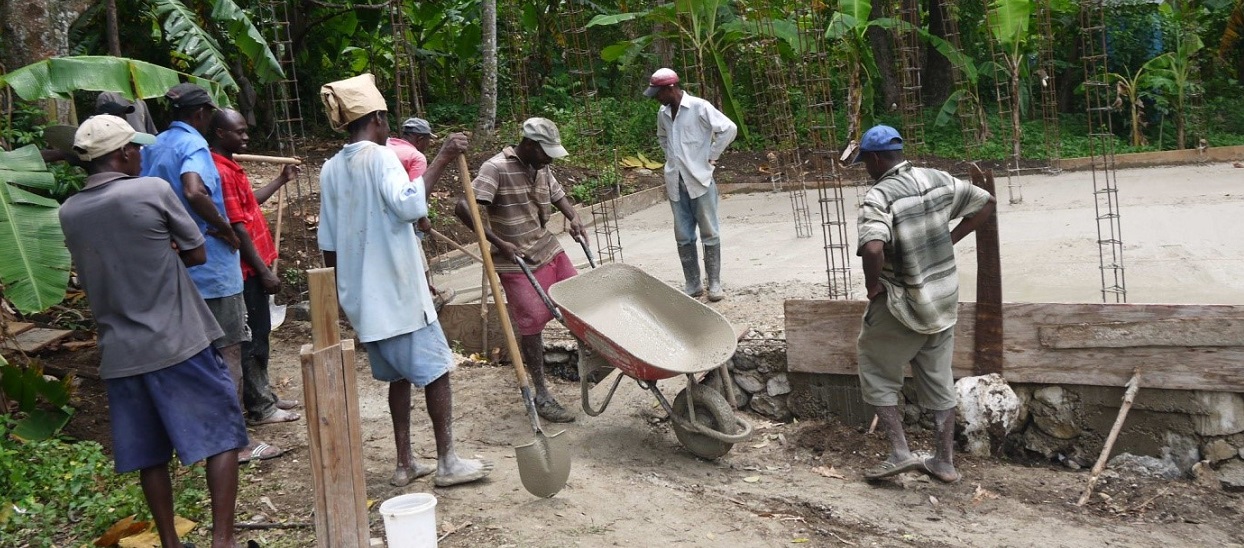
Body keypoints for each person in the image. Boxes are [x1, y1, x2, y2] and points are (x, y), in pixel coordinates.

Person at [61, 114, 247, 548]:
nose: (142, 154)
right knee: (223, 433)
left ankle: (170, 541)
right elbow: (197, 253)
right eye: (136, 148)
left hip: (121, 353)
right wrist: (165, 256)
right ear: (122, 153)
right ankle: (223, 540)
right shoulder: (151, 190)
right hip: (179, 338)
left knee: (151, 454)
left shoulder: (69, 211)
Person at [318, 73, 491, 487]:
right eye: (385, 119)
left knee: (398, 376)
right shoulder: (380, 158)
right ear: (376, 119)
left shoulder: (329, 168)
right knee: (436, 371)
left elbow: (329, 244)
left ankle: (405, 462)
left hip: (363, 299)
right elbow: (410, 205)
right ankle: (447, 461)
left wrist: (344, 296)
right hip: (397, 293)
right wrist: (443, 158)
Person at [140, 83, 283, 464]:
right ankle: (235, 443)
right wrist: (220, 228)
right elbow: (194, 191)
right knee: (230, 353)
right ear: (202, 114)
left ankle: (198, 436)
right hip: (212, 269)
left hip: (173, 267)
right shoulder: (194, 147)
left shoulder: (152, 146)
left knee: (192, 355)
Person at [852, 125, 996, 483]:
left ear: (873, 158)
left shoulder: (879, 197)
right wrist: (951, 237)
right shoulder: (938, 178)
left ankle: (900, 451)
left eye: (864, 163)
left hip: (902, 303)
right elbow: (986, 203)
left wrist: (873, 286)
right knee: (938, 378)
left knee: (875, 369)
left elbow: (872, 247)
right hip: (943, 301)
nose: (865, 170)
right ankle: (943, 461)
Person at [454, 117, 586, 424]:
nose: (550, 158)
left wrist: (573, 216)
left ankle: (592, 358)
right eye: (546, 152)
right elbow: (463, 206)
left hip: (547, 247)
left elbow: (557, 194)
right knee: (533, 323)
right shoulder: (496, 168)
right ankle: (541, 392)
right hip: (515, 259)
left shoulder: (540, 167)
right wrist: (499, 242)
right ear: (528, 145)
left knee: (578, 298)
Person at [209, 108, 303, 427]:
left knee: (261, 332)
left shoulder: (232, 167)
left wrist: (280, 180)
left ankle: (265, 395)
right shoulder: (220, 172)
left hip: (254, 268)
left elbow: (250, 205)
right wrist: (263, 270)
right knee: (251, 337)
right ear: (220, 134)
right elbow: (237, 228)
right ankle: (261, 407)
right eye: (239, 131)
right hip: (247, 271)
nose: (246, 136)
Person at [645, 67, 737, 302]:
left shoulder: (699, 107)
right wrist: (672, 158)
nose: (657, 98)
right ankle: (693, 283)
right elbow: (662, 137)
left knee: (709, 232)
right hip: (676, 181)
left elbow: (728, 129)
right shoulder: (663, 113)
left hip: (700, 180)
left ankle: (714, 284)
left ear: (670, 88)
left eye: (658, 93)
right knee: (684, 235)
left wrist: (711, 156)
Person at [387, 117, 455, 310]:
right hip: (401, 216)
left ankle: (414, 290)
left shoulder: (385, 147)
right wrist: (423, 219)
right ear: (419, 139)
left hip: (379, 216)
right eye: (427, 140)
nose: (428, 144)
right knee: (415, 248)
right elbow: (416, 195)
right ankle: (426, 298)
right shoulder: (415, 157)